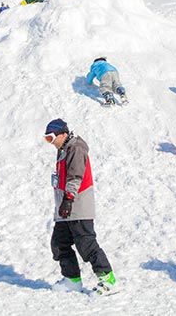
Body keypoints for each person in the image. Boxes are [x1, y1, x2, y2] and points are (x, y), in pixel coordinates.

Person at [44, 118, 116, 295]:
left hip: (78, 205)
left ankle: (108, 279)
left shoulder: (76, 148)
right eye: (47, 139)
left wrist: (68, 199)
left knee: (86, 243)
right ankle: (72, 280)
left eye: (51, 137)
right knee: (59, 244)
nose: (50, 142)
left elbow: (76, 176)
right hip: (64, 208)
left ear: (63, 133)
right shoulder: (62, 150)